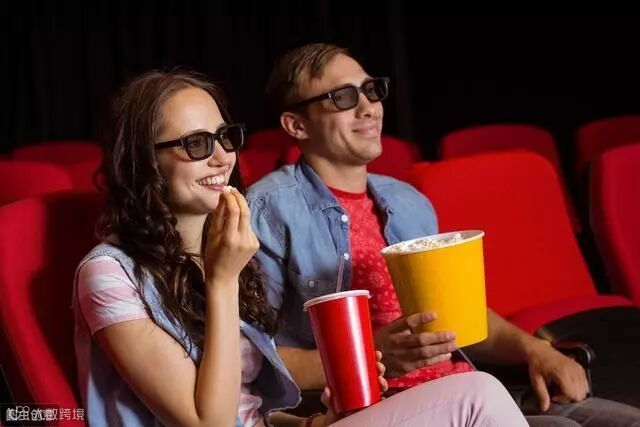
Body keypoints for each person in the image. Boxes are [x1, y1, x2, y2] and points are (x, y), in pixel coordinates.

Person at [72, 70, 528, 426]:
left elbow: (247, 409)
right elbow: (210, 423)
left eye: (224, 137)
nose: (222, 157)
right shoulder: (109, 273)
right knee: (479, 396)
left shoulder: (217, 250)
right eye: (195, 144)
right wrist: (223, 280)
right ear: (144, 161)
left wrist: (314, 422)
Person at [247, 43, 640, 426]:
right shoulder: (269, 210)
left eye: (370, 90)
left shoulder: (407, 201)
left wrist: (536, 349)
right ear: (297, 125)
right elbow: (255, 363)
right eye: (344, 97)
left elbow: (455, 320)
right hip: (377, 406)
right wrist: (370, 356)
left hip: (467, 386)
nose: (368, 107)